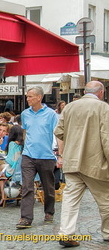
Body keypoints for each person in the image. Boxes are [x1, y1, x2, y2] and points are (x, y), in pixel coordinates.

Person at [54, 81, 109, 247]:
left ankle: (66, 232)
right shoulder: (103, 108)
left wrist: (63, 154)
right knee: (105, 200)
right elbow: (107, 138)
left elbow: (59, 132)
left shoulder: (70, 107)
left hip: (72, 161)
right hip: (94, 161)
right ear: (101, 92)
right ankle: (107, 232)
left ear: (85, 91)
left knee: (70, 198)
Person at [16, 86, 58, 229]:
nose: (27, 99)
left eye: (30, 96)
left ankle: (49, 211)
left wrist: (61, 155)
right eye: (27, 96)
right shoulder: (25, 114)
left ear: (39, 97)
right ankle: (26, 218)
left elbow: (58, 134)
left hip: (46, 155)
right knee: (27, 186)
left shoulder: (51, 114)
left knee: (48, 187)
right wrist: (25, 147)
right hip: (28, 155)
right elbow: (25, 132)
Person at [0, 125, 24, 206]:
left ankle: (2, 197)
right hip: (21, 169)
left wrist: (6, 158)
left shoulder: (12, 144)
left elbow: (10, 160)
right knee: (0, 169)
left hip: (13, 169)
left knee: (1, 175)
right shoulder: (23, 144)